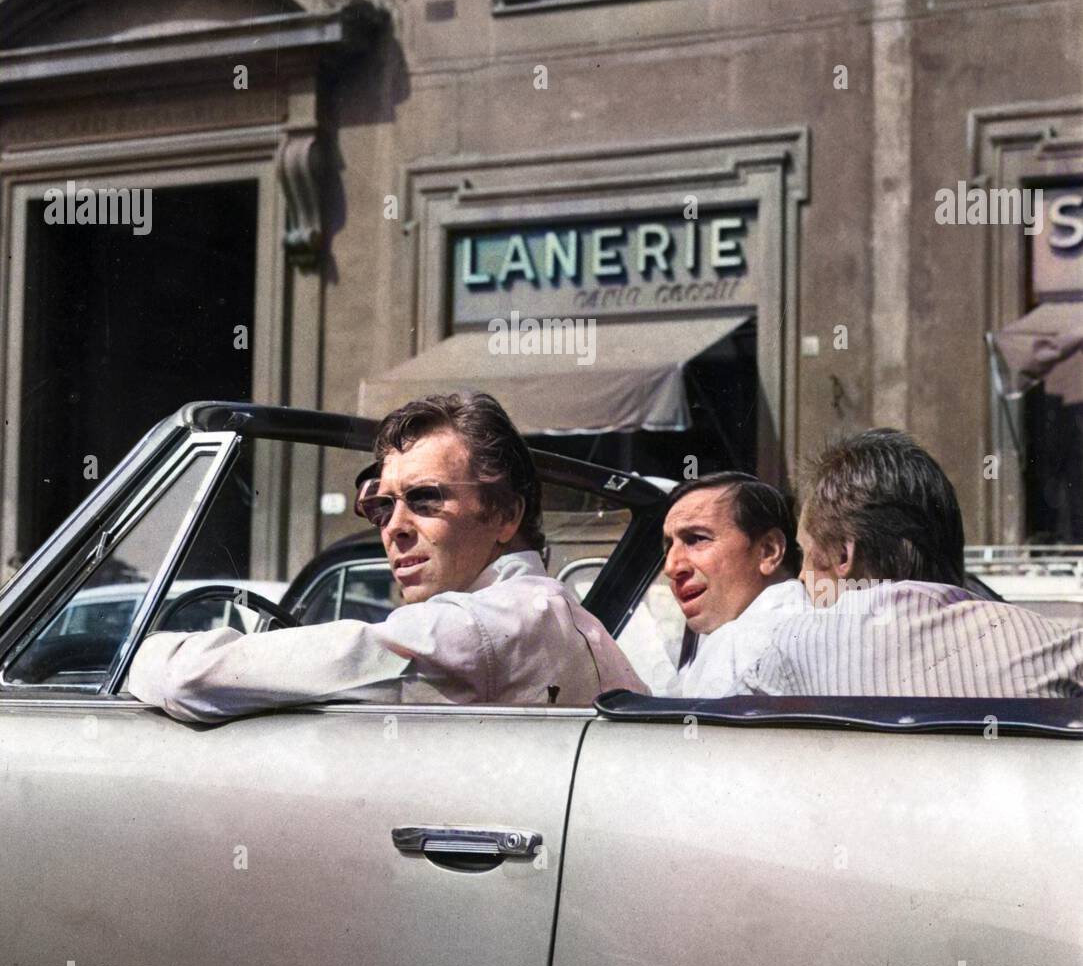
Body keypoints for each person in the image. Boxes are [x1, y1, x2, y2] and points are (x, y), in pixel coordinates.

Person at [129, 393, 647, 722]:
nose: (394, 528)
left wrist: (143, 656)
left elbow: (193, 680)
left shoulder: (481, 626)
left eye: (425, 499)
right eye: (380, 506)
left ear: (505, 516)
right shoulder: (566, 618)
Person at [733, 429, 1083, 698]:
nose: (802, 579)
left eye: (805, 554)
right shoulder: (1055, 648)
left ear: (843, 556)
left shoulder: (792, 646)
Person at [662, 472, 809, 697]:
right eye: (668, 546)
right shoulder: (810, 622)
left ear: (769, 551)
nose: (671, 567)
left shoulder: (738, 644)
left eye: (697, 539)